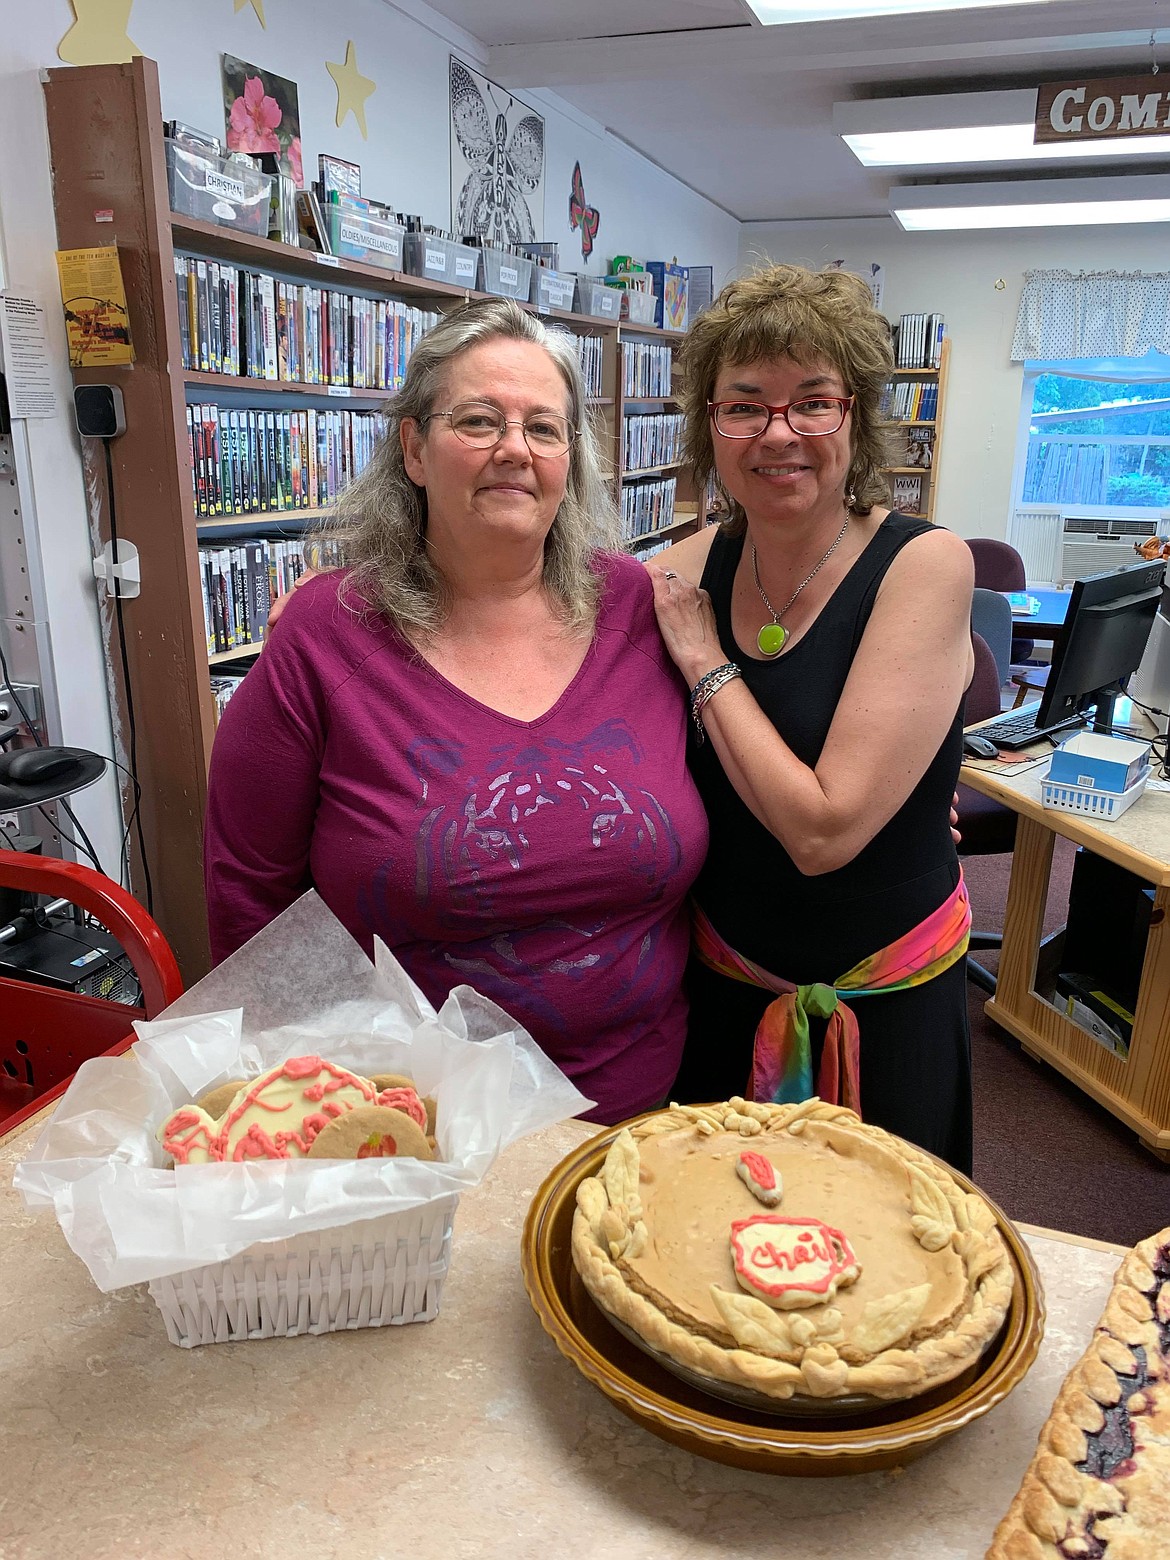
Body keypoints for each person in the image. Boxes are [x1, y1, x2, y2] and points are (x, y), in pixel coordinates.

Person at [203, 299, 709, 1125]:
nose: (515, 449)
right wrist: (316, 1103)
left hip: (635, 1106)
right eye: (479, 420)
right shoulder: (328, 636)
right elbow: (248, 897)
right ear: (413, 447)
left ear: (569, 460)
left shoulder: (638, 610)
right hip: (410, 1121)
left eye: (544, 429)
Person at [646, 264, 976, 1172]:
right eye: (744, 406)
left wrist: (706, 662)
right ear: (709, 427)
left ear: (857, 417)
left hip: (886, 1000)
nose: (777, 433)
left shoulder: (925, 564)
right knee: (715, 1260)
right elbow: (531, 619)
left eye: (813, 403)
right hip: (722, 987)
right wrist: (362, 609)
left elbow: (826, 831)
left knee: (897, 1271)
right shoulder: (677, 572)